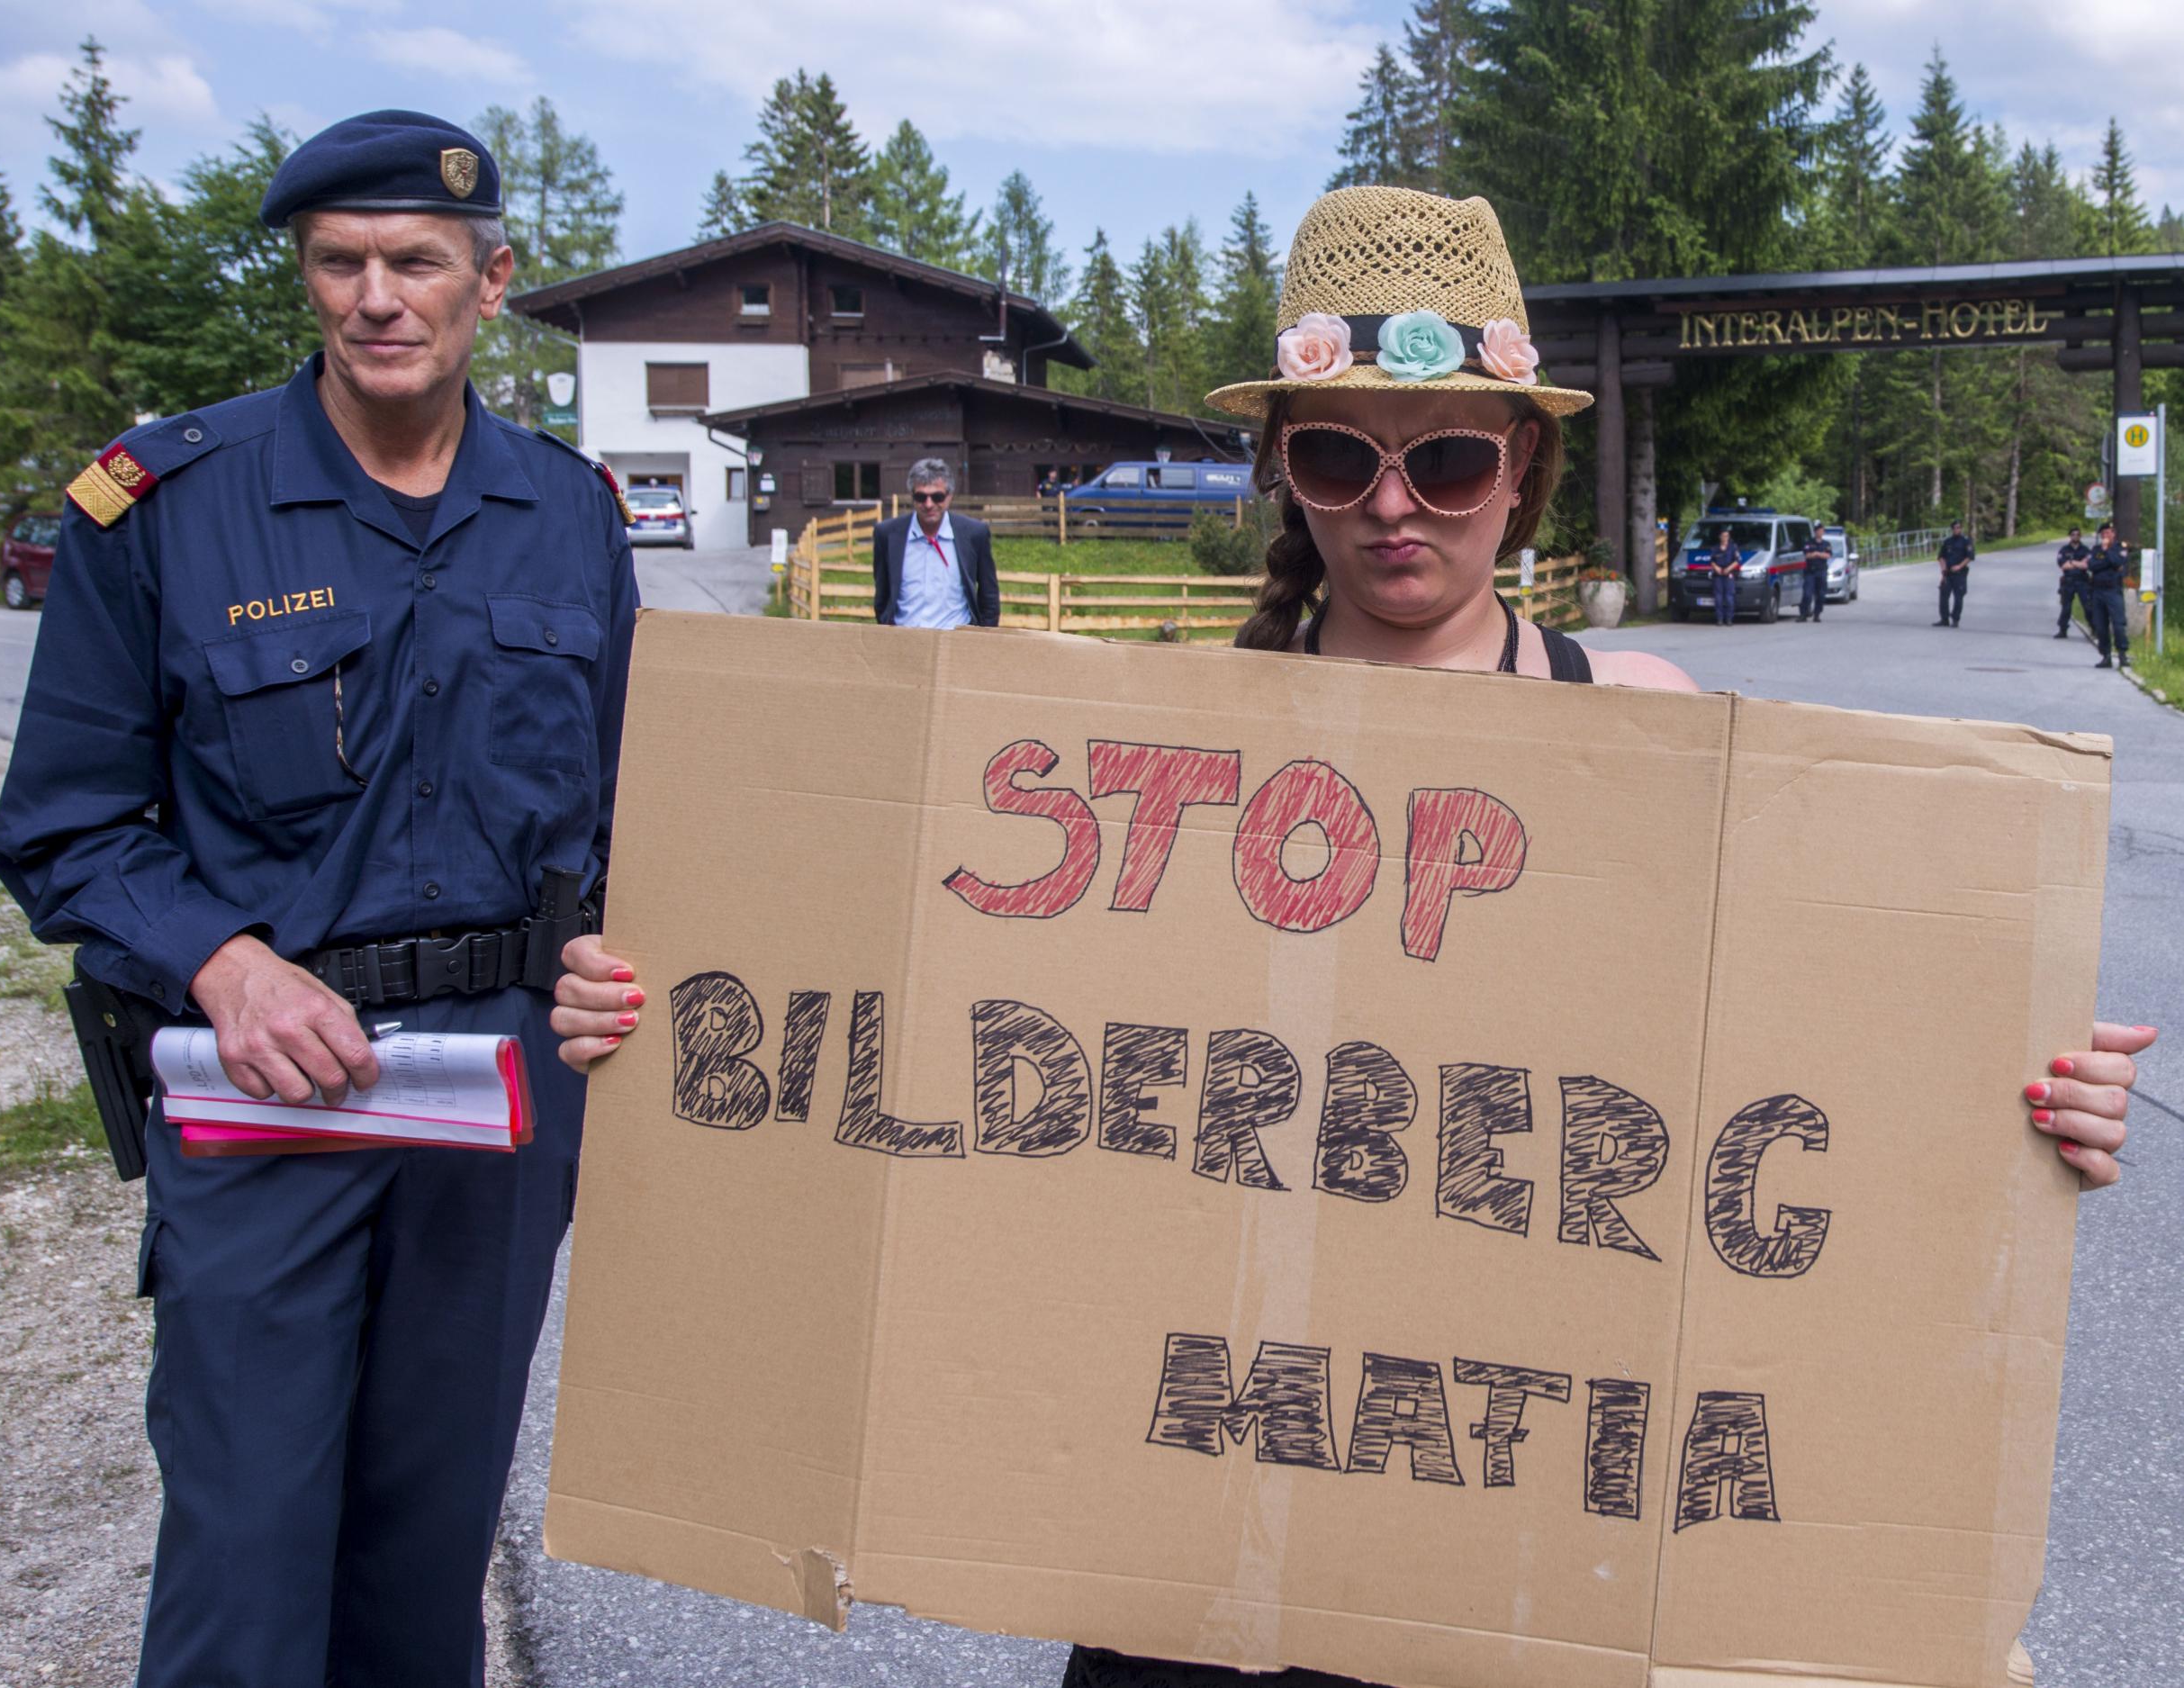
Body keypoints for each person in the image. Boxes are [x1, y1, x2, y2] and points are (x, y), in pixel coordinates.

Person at [550, 186, 2156, 1688]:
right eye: (1339, 460)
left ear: (1522, 469)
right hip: (1171, 1531)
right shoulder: (1146, 747)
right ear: (1283, 472)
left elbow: (1836, 1069)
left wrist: (2020, 1112)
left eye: (1448, 463)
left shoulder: (1665, 735)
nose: (1396, 509)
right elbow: (912, 1041)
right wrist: (669, 1009)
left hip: (1501, 1528)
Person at [0, 111, 638, 1688]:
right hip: (268, 1081)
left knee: (429, 1547)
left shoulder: (568, 512)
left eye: (416, 262)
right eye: (340, 263)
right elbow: (63, 828)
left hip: (493, 1092)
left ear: (491, 280)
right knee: (248, 1546)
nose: (378, 298)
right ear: (306, 281)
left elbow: (632, 809)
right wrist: (221, 963)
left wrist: (614, 956)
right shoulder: (166, 506)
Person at [871, 456, 1000, 627]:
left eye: (937, 496)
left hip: (956, 642)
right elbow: (882, 596)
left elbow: (989, 596)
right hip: (904, 641)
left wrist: (982, 641)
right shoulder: (886, 534)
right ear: (912, 497)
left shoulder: (974, 534)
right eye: (921, 497)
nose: (929, 504)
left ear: (949, 496)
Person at [2085, 519, 2131, 669]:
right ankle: (2106, 656)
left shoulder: (2120, 548)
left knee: (2118, 624)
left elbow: (2118, 562)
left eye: (2109, 533)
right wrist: (2107, 560)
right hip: (2098, 591)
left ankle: (2123, 654)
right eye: (2103, 533)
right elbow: (2092, 566)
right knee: (2101, 626)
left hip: (2113, 591)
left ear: (2113, 534)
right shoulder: (2096, 549)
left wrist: (2106, 553)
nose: (2106, 535)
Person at [2054, 527, 2092, 637]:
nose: (2075, 536)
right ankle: (2063, 630)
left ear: (2080, 536)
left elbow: (2087, 565)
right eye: (2073, 534)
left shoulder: (2085, 550)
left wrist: (2071, 562)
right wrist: (2078, 563)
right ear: (2070, 536)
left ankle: (2094, 628)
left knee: (2088, 606)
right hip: (2068, 581)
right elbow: (2063, 566)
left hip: (2082, 581)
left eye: (2077, 534)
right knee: (2066, 607)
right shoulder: (2064, 550)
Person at [1936, 519, 1974, 626]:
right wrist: (1943, 570)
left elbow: (1970, 557)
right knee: (1943, 596)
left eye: (1959, 527)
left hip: (1960, 574)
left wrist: (1959, 566)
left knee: (1958, 597)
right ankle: (1944, 619)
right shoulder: (1947, 541)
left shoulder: (1966, 541)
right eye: (1955, 528)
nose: (1957, 529)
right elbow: (1941, 557)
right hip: (1948, 573)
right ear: (1952, 529)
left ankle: (1955, 619)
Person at [1799, 521, 1833, 622]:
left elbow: (1828, 555)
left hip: (1821, 572)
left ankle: (1817, 614)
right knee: (1807, 594)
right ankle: (1803, 614)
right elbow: (1807, 555)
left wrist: (1816, 554)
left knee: (1821, 595)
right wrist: (1818, 554)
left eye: (1822, 530)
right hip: (1810, 572)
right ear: (1815, 531)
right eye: (1818, 530)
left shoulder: (1826, 544)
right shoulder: (1809, 543)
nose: (1820, 532)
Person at [1709, 526, 1741, 625]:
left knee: (1729, 598)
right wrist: (1716, 567)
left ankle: (1729, 619)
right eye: (1723, 536)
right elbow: (1712, 561)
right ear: (1720, 537)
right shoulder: (1715, 548)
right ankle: (1719, 619)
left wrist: (1729, 568)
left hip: (1729, 574)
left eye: (1727, 536)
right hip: (1718, 575)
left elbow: (1737, 561)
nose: (1725, 538)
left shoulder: (1733, 547)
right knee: (1718, 598)